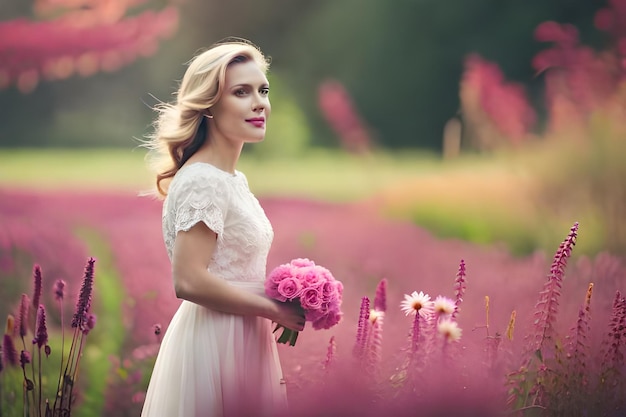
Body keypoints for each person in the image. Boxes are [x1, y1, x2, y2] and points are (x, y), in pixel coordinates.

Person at [140, 39, 305, 417]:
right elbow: (189, 281)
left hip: (245, 335)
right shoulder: (205, 180)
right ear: (210, 105)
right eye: (241, 92)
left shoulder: (230, 178)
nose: (259, 103)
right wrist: (273, 309)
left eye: (263, 91)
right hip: (217, 340)